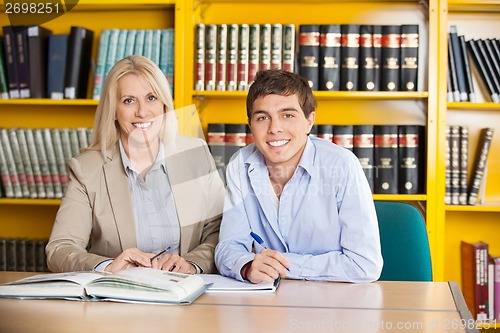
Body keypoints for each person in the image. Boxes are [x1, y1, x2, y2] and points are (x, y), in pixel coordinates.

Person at [46, 55, 225, 275]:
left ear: (164, 104)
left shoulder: (195, 154)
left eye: (151, 98)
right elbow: (60, 248)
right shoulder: (87, 169)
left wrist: (193, 264)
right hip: (118, 299)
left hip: (186, 294)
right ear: (113, 110)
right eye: (128, 101)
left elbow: (221, 231)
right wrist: (108, 267)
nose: (142, 111)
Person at [215, 69, 383, 283]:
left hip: (334, 304)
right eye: (262, 117)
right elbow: (228, 247)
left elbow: (364, 265)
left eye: (288, 115)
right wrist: (247, 266)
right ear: (251, 126)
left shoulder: (341, 165)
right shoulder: (240, 164)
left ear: (309, 121)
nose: (274, 128)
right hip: (267, 304)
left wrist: (280, 264)